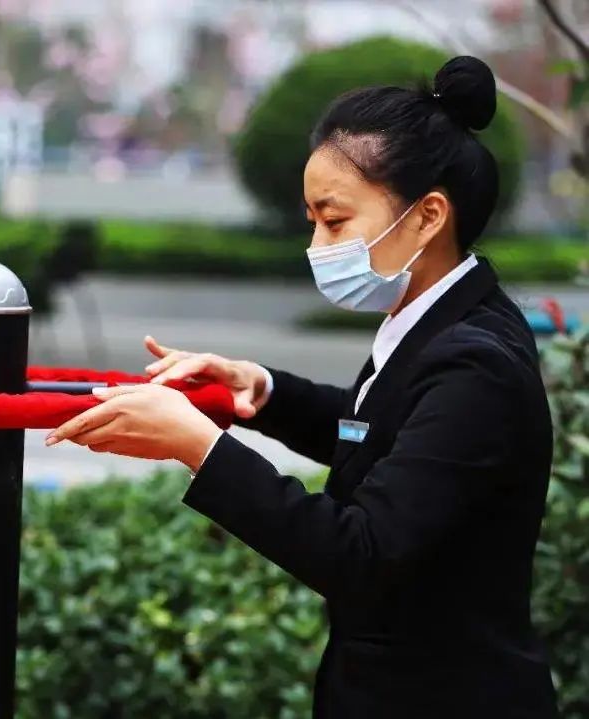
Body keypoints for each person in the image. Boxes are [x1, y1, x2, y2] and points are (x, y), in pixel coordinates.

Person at [45, 55, 560, 718]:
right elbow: (384, 434)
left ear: (429, 216)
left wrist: (200, 447)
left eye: (334, 220)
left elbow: (363, 553)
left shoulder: (474, 365)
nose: (317, 243)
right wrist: (262, 391)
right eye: (312, 219)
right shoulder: (444, 319)